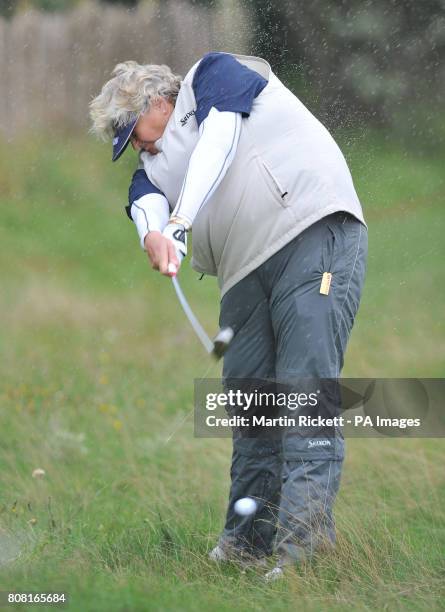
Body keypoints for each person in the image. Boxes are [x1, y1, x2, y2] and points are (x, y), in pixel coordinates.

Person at [90, 51, 367, 580]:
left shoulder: (212, 77)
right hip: (245, 272)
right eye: (125, 143)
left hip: (314, 230)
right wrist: (153, 231)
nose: (138, 147)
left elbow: (220, 136)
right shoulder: (154, 166)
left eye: (136, 130)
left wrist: (180, 219)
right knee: (251, 407)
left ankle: (304, 550)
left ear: (160, 101)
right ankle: (246, 543)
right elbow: (142, 198)